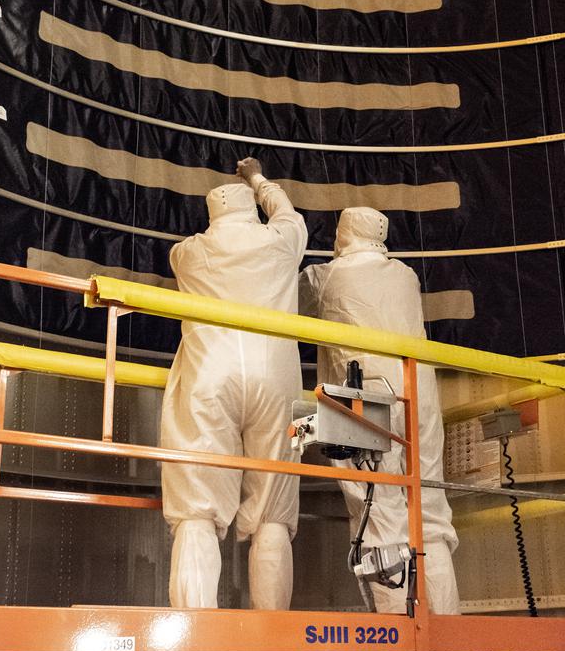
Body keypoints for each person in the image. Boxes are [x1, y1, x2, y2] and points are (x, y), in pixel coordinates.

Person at [162, 157, 307, 610]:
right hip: (277, 383)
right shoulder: (282, 239)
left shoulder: (186, 254)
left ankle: (194, 632)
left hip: (209, 377)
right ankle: (273, 634)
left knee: (196, 509)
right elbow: (289, 213)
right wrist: (258, 178)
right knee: (273, 513)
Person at [298, 207, 460, 614]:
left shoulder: (327, 276)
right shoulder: (406, 275)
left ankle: (401, 635)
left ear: (344, 233)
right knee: (429, 513)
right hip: (419, 396)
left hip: (367, 400)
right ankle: (447, 632)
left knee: (381, 515)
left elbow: (283, 298)